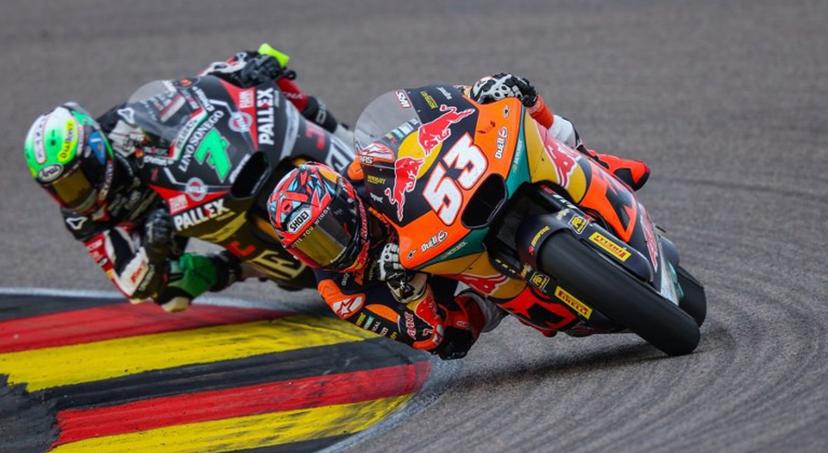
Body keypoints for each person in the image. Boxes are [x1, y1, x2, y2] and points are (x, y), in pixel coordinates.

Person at [266, 74, 650, 359]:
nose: (329, 249)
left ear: (345, 204)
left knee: (518, 100)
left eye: (328, 231)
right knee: (455, 337)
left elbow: (427, 124)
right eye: (313, 247)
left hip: (447, 212)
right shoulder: (341, 293)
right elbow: (423, 336)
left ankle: (593, 160)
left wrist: (476, 96)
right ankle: (499, 300)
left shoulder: (360, 176)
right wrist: (409, 291)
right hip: (438, 279)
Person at [23, 44, 352, 312]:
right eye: (62, 189)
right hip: (163, 228)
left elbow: (189, 93)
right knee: (169, 294)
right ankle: (240, 266)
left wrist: (241, 68)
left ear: (96, 148)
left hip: (191, 183)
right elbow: (128, 281)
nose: (77, 192)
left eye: (80, 177)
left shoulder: (122, 125)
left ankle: (349, 142)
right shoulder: (82, 217)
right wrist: (152, 249)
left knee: (271, 78)